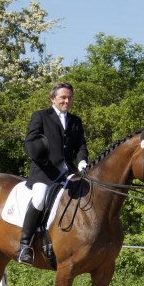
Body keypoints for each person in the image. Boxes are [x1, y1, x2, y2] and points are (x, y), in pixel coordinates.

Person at [17, 82, 89, 265]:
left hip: (68, 172)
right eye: (63, 97)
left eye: (70, 97)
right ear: (52, 98)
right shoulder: (40, 116)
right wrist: (39, 154)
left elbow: (81, 145)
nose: (67, 100)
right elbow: (29, 142)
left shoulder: (75, 121)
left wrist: (82, 161)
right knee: (40, 199)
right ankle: (25, 245)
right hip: (44, 172)